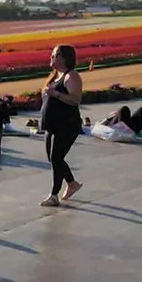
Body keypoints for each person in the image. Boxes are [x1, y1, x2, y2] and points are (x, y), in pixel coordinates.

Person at [38, 44, 83, 208]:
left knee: (56, 158)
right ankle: (72, 183)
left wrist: (56, 94)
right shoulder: (54, 76)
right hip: (51, 124)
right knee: (53, 158)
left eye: (56, 55)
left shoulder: (71, 76)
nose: (52, 58)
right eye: (52, 54)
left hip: (66, 125)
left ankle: (54, 195)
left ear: (65, 58)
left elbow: (75, 99)